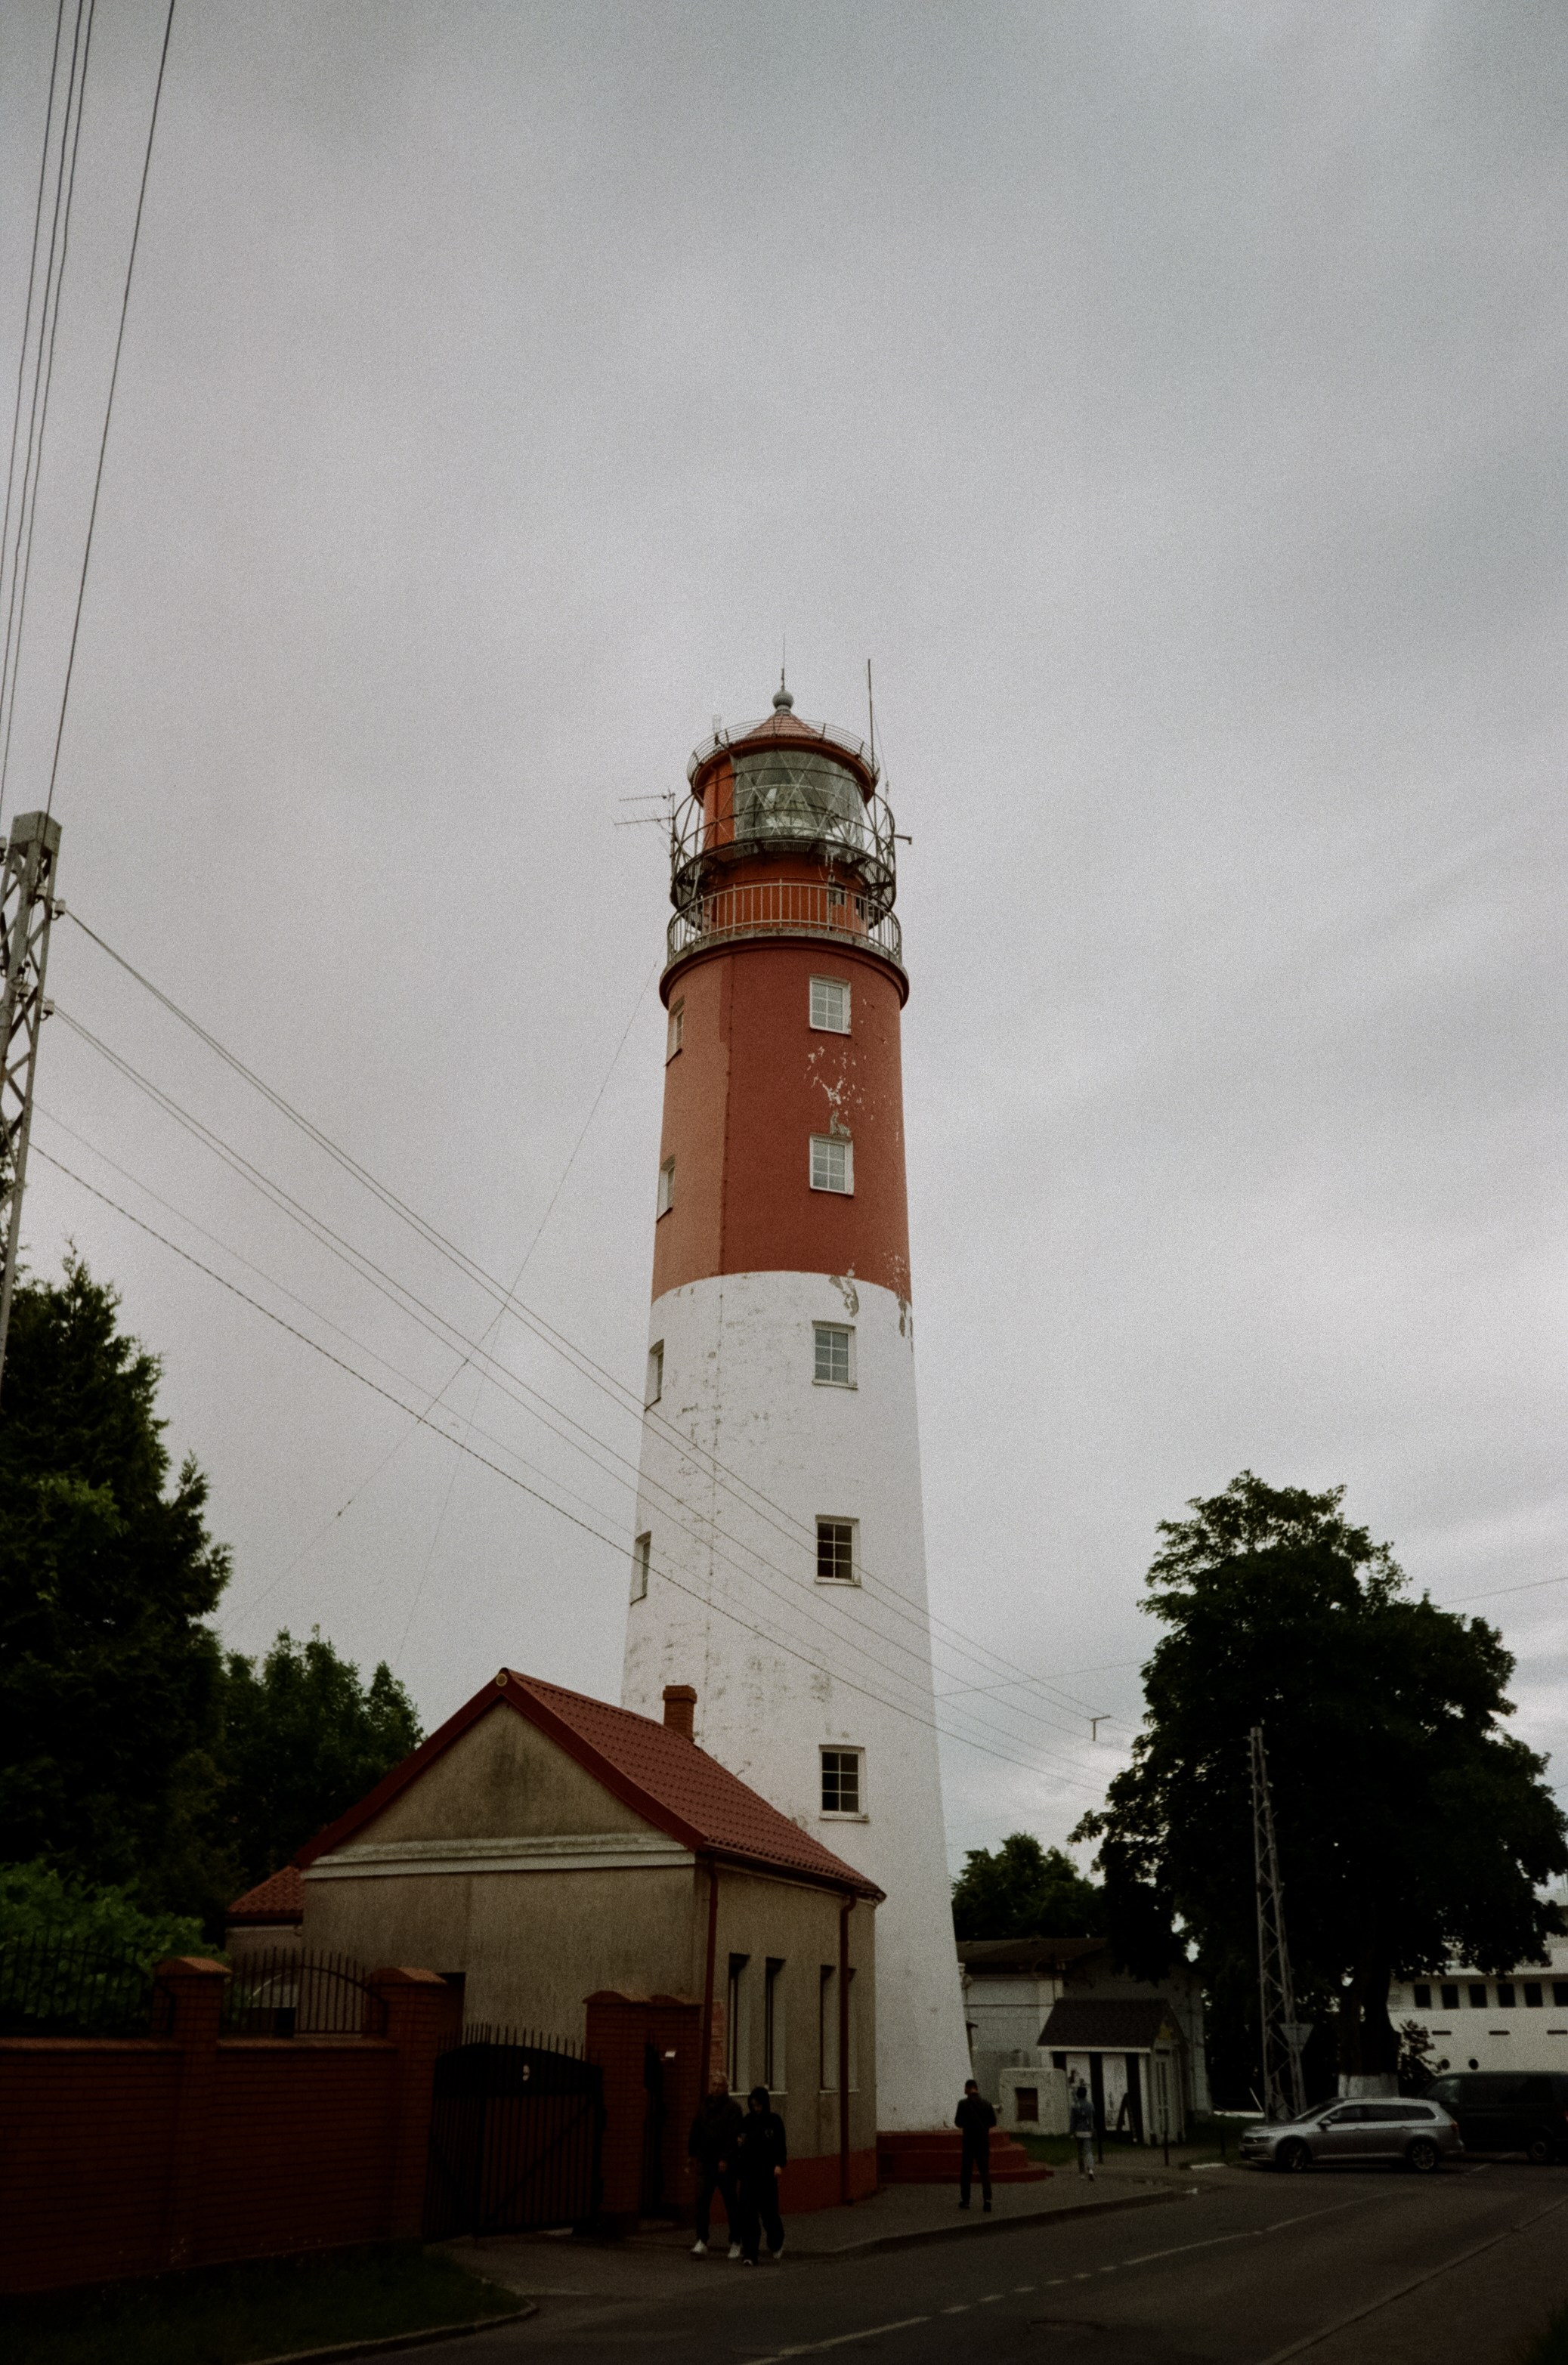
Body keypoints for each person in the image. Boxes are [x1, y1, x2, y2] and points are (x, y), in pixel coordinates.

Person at [688, 2076, 744, 2258]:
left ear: (726, 2087)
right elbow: (696, 2130)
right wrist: (691, 2154)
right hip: (706, 2161)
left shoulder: (733, 2109)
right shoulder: (704, 2106)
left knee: (730, 2202)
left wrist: (725, 2158)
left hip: (724, 2164)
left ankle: (736, 2240)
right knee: (702, 2202)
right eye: (714, 2084)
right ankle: (702, 2240)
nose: (717, 2088)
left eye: (720, 2085)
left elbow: (733, 2135)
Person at [733, 2083, 788, 2263]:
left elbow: (780, 2145)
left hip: (767, 2175)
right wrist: (739, 2147)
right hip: (749, 2174)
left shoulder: (774, 2122)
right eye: (753, 2105)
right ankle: (750, 2254)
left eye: (759, 2105)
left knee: (769, 2214)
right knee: (748, 2214)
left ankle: (776, 2242)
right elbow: (740, 2143)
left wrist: (779, 2164)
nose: (756, 2108)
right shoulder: (747, 2121)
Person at [954, 2078, 997, 2212]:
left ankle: (966, 2200)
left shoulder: (963, 2104)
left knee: (966, 2172)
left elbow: (958, 2122)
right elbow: (993, 2122)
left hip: (969, 2142)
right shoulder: (987, 2104)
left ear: (968, 2088)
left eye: (965, 2088)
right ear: (976, 2088)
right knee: (984, 2172)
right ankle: (987, 2201)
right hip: (983, 2141)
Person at [1069, 2081, 1096, 2180]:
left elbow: (1073, 2121)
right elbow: (1092, 2118)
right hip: (1088, 2131)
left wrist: (1072, 2132)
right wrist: (1092, 2129)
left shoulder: (1075, 2106)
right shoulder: (1090, 2105)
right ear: (1085, 2094)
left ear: (1077, 2095)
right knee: (1088, 2151)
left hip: (1078, 2131)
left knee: (1080, 2152)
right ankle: (1091, 2170)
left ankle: (1082, 2173)